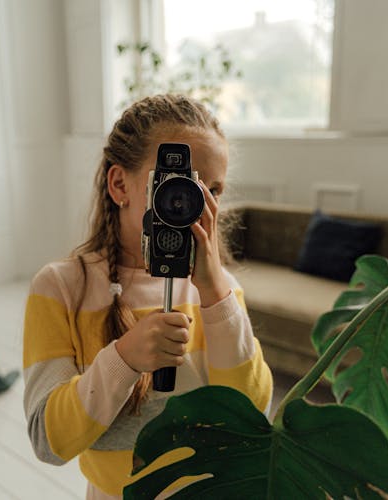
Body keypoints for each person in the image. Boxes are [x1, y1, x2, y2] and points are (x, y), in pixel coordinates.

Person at [22, 94, 273, 499]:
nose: (195, 204)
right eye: (179, 186)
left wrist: (215, 296)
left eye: (212, 190)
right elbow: (47, 440)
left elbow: (251, 416)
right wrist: (123, 360)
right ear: (120, 183)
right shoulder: (61, 288)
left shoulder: (221, 289)